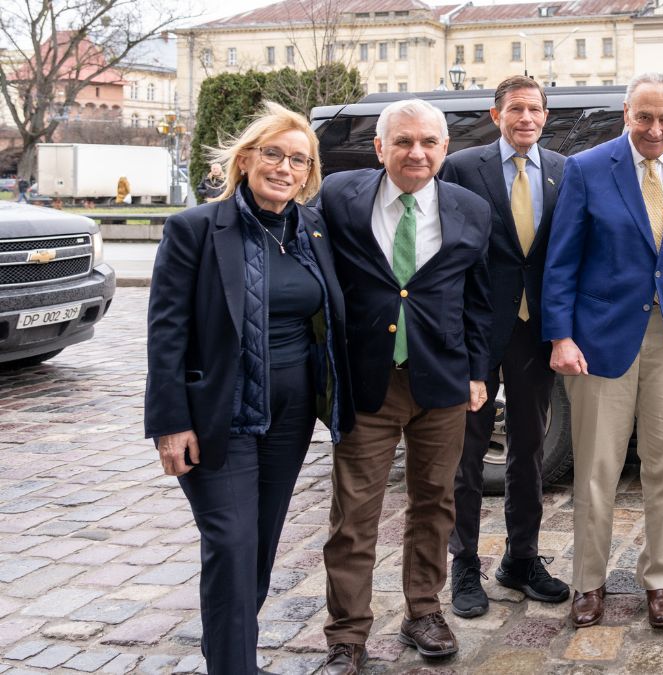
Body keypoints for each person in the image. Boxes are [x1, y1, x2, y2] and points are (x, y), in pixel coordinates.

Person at [144, 101, 354, 673]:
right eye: (273, 154)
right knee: (232, 545)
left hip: (289, 420)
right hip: (219, 417)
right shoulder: (195, 229)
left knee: (258, 548)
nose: (284, 167)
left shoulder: (311, 230)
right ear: (245, 159)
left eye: (299, 161)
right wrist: (169, 423)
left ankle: (227, 643)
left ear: (309, 175)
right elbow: (166, 333)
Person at [316, 98, 491, 670]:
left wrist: (477, 372)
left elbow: (479, 301)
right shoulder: (341, 197)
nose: (417, 153)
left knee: (435, 505)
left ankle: (423, 611)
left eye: (429, 143)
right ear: (380, 147)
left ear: (446, 149)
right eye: (404, 141)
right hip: (369, 383)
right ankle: (347, 634)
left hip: (441, 382)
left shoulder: (469, 208)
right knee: (354, 515)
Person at [543, 72, 663, 629]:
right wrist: (561, 336)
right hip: (600, 344)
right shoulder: (588, 168)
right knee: (597, 470)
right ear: (626, 112)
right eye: (645, 116)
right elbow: (561, 261)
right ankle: (588, 582)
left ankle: (661, 579)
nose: (656, 129)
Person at [439, 75, 569, 617]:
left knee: (529, 448)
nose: (526, 118)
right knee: (466, 454)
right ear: (497, 115)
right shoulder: (464, 168)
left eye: (535, 109)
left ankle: (521, 558)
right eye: (515, 109)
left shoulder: (563, 170)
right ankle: (464, 565)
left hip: (533, 331)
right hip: (476, 328)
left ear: (545, 115)